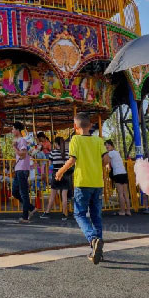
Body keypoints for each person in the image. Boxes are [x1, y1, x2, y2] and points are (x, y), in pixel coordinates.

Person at [55, 113, 109, 265]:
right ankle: (98, 250)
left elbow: (72, 159)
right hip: (97, 183)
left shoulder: (75, 139)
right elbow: (106, 159)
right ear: (91, 125)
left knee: (79, 214)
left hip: (82, 182)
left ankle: (93, 239)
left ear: (75, 127)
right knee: (96, 216)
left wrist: (60, 171)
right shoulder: (98, 140)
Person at [40, 136, 70, 220]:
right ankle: (64, 214)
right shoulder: (68, 152)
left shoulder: (53, 152)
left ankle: (47, 212)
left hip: (56, 174)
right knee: (64, 196)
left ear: (56, 144)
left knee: (52, 195)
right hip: (66, 174)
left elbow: (50, 164)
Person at [11, 122, 35, 223]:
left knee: (23, 193)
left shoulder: (22, 141)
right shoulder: (19, 141)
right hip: (19, 168)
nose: (12, 131)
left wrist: (14, 148)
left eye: (13, 129)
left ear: (17, 130)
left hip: (22, 169)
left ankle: (25, 217)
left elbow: (23, 154)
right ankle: (30, 207)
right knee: (15, 192)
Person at [105, 139, 132, 216]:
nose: (107, 147)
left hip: (117, 174)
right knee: (125, 193)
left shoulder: (110, 153)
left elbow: (105, 161)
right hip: (123, 173)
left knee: (120, 194)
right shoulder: (117, 153)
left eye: (108, 145)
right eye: (106, 146)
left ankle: (122, 211)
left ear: (112, 146)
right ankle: (128, 211)